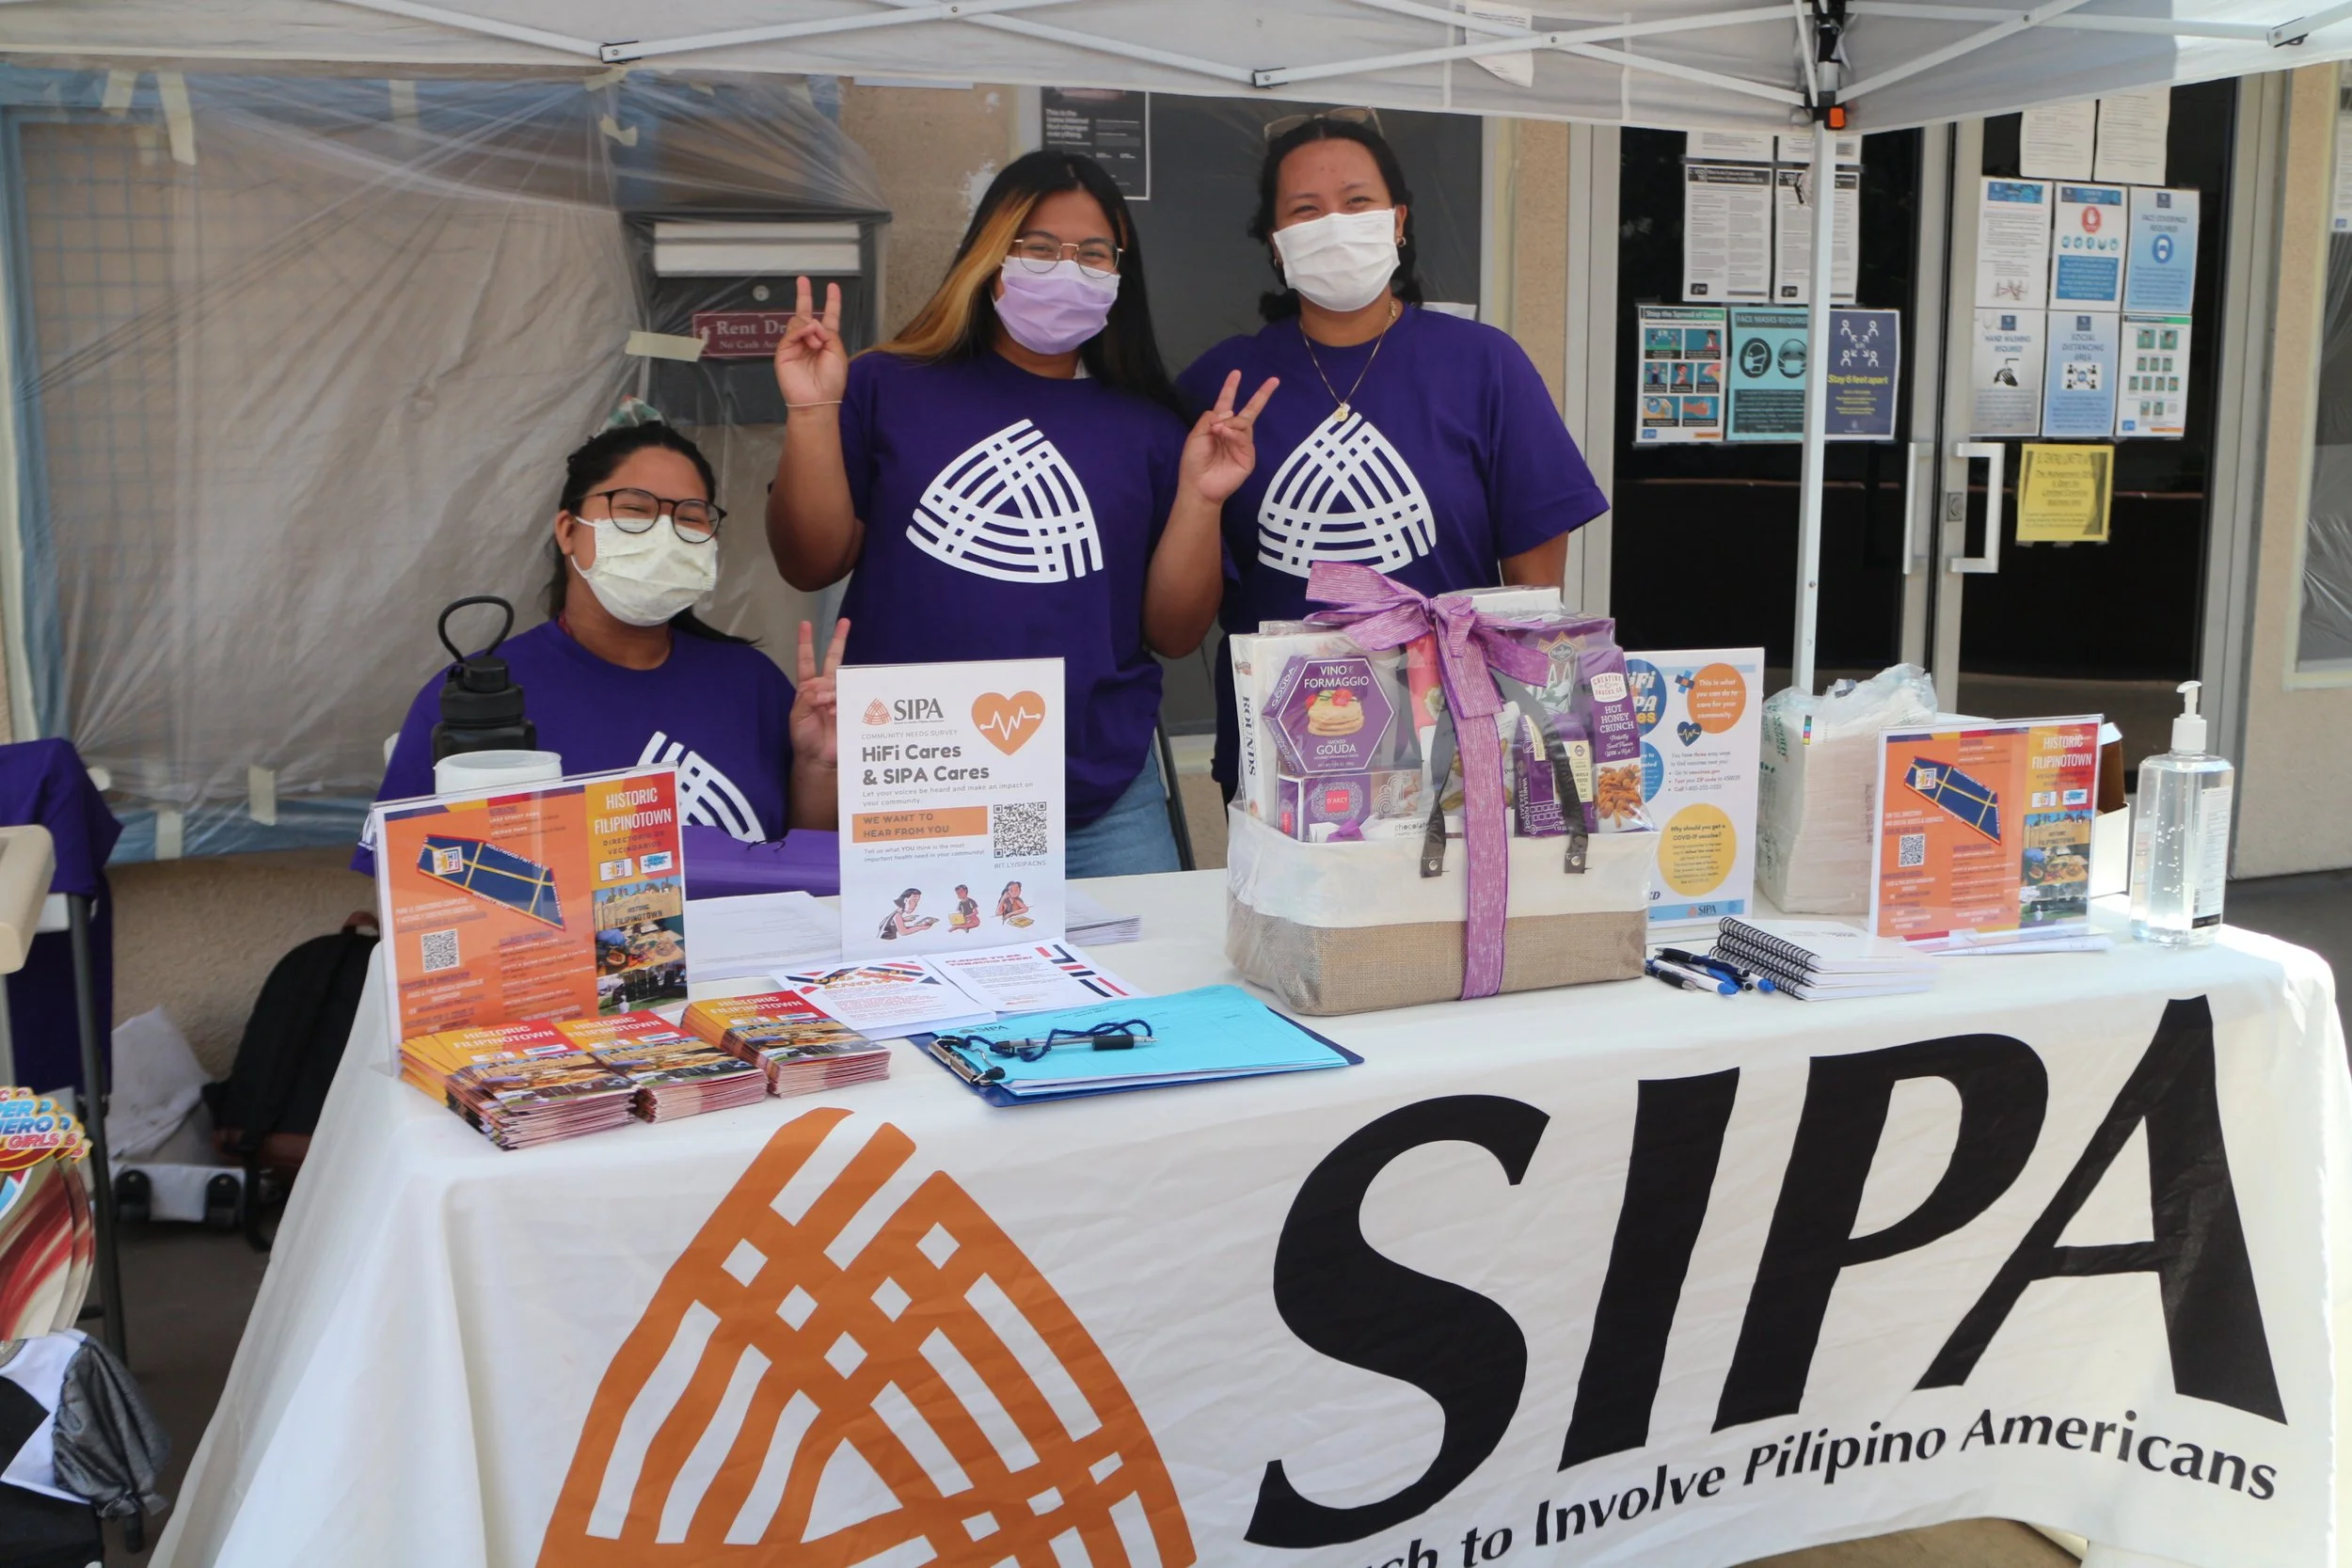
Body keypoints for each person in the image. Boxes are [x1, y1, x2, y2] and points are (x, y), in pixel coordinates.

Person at [766, 150, 1275, 877]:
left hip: (1099, 804)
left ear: (1120, 274)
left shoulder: (1153, 428)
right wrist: (814, 408)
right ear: (990, 254)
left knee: (1135, 993)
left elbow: (1174, 631)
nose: (1067, 267)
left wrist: (1200, 499)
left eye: (1093, 253)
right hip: (916, 785)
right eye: (1039, 246)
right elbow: (809, 558)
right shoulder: (886, 384)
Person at [1178, 112, 1610, 800]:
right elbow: (1182, 608)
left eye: (1357, 203)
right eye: (1306, 210)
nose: (1334, 223)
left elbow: (1531, 609)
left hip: (1454, 752)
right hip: (1283, 759)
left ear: (1398, 220)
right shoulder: (1221, 387)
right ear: (1275, 241)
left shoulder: (1484, 365)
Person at [359, 419, 844, 873]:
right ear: (569, 531)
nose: (664, 534)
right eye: (635, 509)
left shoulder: (749, 682)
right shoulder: (479, 699)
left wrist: (818, 766)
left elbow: (807, 865)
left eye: (692, 517)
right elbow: (410, 891)